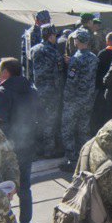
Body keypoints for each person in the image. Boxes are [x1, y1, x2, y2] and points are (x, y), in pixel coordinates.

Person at [0, 58, 38, 223]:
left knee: (3, 189)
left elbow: (0, 123)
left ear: (6, 72)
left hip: (7, 149)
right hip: (27, 145)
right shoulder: (32, 90)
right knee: (25, 187)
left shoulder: (2, 92)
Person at [61, 30, 99, 171]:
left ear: (78, 41)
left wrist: (66, 98)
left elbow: (72, 82)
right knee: (84, 129)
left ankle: (71, 160)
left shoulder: (76, 59)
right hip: (88, 99)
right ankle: (86, 158)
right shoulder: (94, 58)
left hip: (74, 100)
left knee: (67, 128)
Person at [29, 24, 65, 157]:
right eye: (54, 35)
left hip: (37, 89)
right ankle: (49, 150)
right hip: (51, 91)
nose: (56, 38)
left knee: (39, 119)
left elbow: (30, 70)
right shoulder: (54, 52)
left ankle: (38, 148)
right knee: (50, 120)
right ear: (50, 36)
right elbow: (58, 73)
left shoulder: (33, 49)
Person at [22, 10, 50, 79]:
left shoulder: (48, 32)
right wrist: (28, 76)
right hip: (34, 73)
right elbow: (27, 57)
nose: (46, 23)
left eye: (48, 21)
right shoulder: (29, 35)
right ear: (37, 21)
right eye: (44, 21)